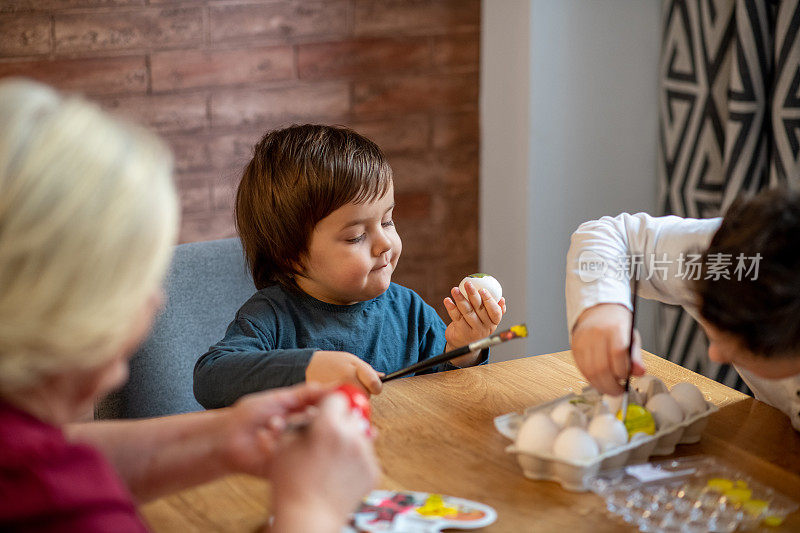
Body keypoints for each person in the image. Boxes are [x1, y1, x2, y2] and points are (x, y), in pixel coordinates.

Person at [0, 78, 379, 532]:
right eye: (137, 280)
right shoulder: (75, 517)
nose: (156, 301)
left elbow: (54, 452)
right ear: (63, 308)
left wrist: (223, 437)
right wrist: (312, 507)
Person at [194, 125, 507, 409]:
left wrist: (466, 349)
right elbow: (211, 378)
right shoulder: (272, 317)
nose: (384, 243)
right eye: (356, 236)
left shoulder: (409, 311)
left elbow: (447, 393)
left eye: (387, 221)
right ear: (292, 255)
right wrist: (309, 368)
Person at [565, 187, 800, 431]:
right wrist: (602, 308)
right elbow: (614, 236)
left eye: (746, 345)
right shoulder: (735, 254)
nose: (715, 355)